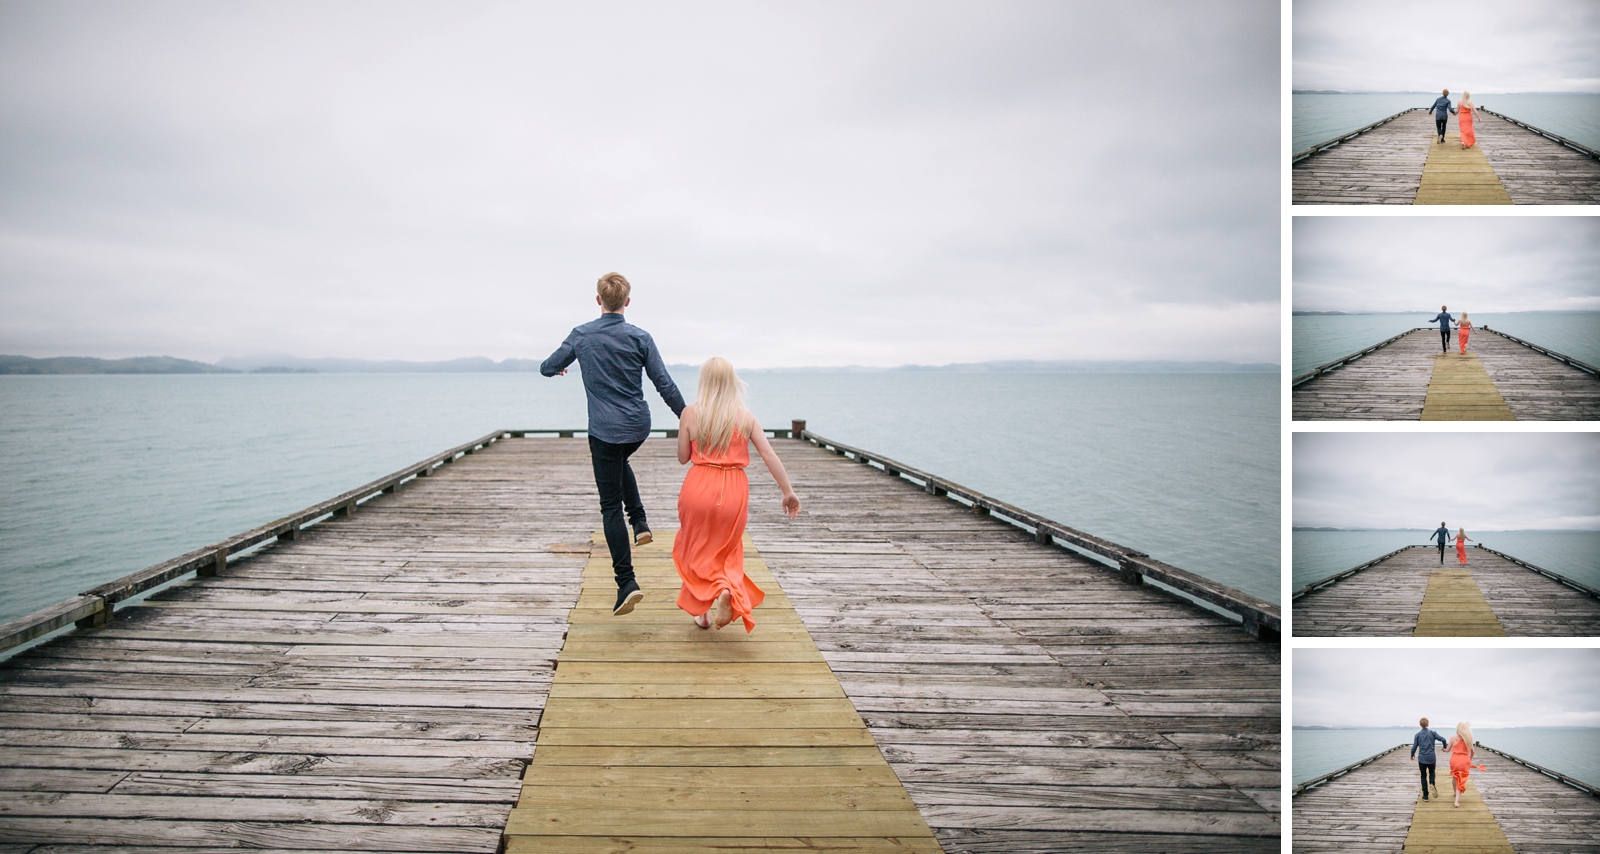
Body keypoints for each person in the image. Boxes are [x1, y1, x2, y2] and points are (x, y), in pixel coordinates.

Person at [541, 272, 687, 617]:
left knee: (609, 506)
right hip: (638, 426)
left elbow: (547, 367)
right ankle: (640, 523)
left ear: (598, 300)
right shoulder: (640, 337)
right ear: (627, 302)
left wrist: (560, 368)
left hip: (605, 430)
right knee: (621, 462)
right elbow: (663, 383)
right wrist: (688, 418)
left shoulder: (581, 335)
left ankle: (626, 583)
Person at [673, 357, 801, 632]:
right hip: (733, 490)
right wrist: (787, 491)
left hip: (698, 485)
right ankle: (723, 590)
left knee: (694, 546)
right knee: (726, 550)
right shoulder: (746, 417)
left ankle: (705, 609)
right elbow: (768, 453)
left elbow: (683, 457)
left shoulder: (690, 413)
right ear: (732, 382)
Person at [1446, 721, 1487, 807]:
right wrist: (1470, 759)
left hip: (1454, 760)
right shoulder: (1468, 739)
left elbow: (1447, 750)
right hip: (1465, 760)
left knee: (1455, 776)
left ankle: (1454, 792)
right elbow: (1472, 752)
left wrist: (1443, 750)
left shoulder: (1453, 738)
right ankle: (1456, 802)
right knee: (1461, 780)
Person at [1411, 717, 1449, 801]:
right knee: (1432, 772)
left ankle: (1425, 796)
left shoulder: (1417, 735)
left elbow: (1414, 747)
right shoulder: (1432, 733)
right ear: (1428, 724)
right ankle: (1432, 783)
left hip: (1422, 758)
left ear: (1420, 725)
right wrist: (1444, 747)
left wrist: (1412, 755)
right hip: (1431, 758)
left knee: (1423, 775)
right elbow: (1443, 739)